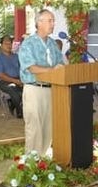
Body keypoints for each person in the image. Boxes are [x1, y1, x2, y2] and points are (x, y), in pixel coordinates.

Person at [18, 9, 64, 156]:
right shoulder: (28, 44)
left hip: (52, 89)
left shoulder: (52, 44)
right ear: (39, 23)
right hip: (34, 89)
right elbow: (31, 68)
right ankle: (31, 165)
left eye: (53, 20)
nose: (53, 24)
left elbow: (60, 64)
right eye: (50, 20)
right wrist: (53, 70)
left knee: (48, 127)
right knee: (34, 128)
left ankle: (43, 160)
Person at [0, 35, 23, 118]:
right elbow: (1, 75)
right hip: (4, 82)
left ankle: (12, 103)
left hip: (18, 79)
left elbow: (22, 70)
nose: (9, 46)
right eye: (6, 44)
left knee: (28, 89)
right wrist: (15, 81)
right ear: (1, 45)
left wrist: (21, 80)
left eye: (10, 43)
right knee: (15, 91)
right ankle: (19, 111)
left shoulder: (16, 56)